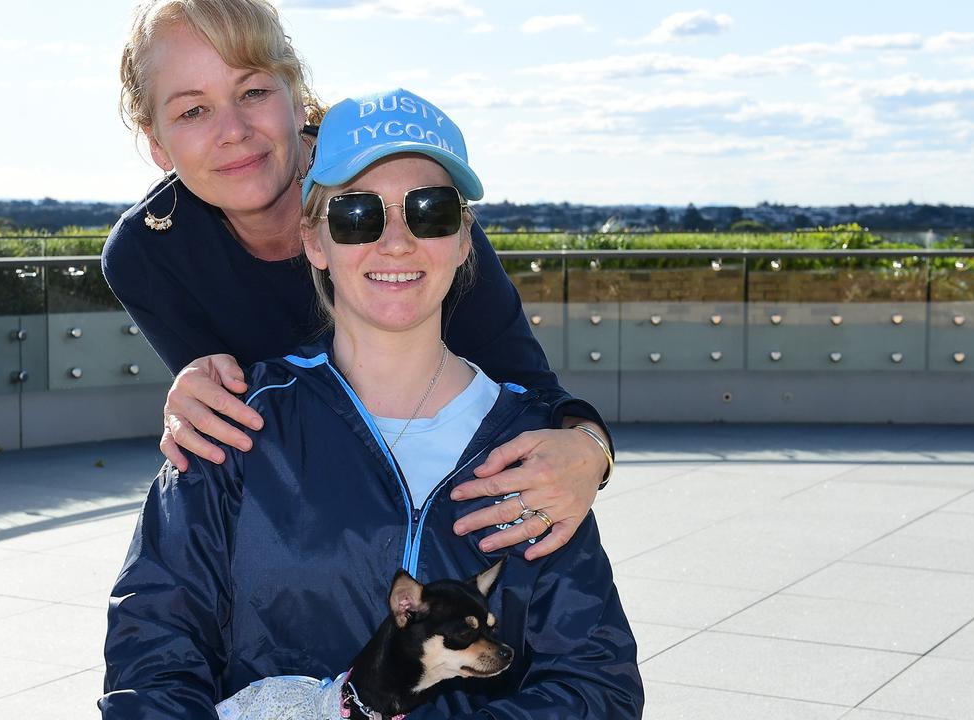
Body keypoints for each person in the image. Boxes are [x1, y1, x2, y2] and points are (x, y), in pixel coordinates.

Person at [101, 87, 643, 719]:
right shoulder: (236, 429)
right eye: (356, 215)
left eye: (431, 212)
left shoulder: (536, 454)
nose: (396, 241)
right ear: (313, 241)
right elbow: (154, 659)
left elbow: (596, 687)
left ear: (466, 238)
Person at [103, 0, 615, 561]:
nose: (233, 131)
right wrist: (194, 393)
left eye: (252, 92)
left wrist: (592, 451)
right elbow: (236, 438)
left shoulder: (403, 202)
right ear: (156, 142)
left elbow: (531, 389)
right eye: (193, 111)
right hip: (308, 549)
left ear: (296, 97)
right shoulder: (148, 256)